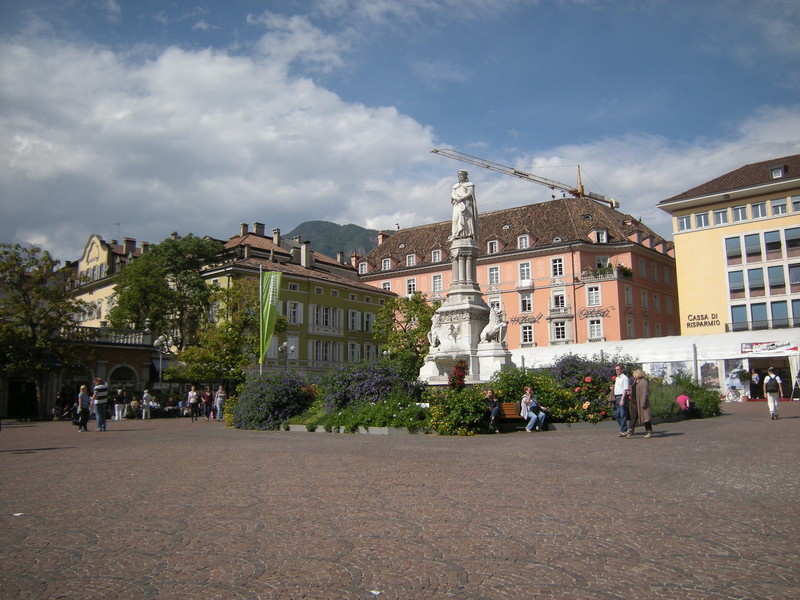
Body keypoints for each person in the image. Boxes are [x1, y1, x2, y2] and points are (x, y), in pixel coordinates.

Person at [450, 170, 477, 240]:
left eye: (461, 175)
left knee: (466, 219)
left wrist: (462, 198)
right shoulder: (455, 186)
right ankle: (456, 234)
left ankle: (467, 234)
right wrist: (457, 198)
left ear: (465, 176)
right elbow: (452, 194)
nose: (460, 177)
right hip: (457, 204)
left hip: (466, 204)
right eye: (459, 176)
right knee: (456, 219)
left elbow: (470, 193)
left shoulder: (470, 184)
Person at [627, 369, 654, 438]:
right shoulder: (635, 381)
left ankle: (649, 431)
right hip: (634, 401)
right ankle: (630, 430)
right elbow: (633, 389)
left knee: (645, 416)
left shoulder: (644, 381)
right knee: (633, 416)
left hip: (640, 401)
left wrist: (643, 402)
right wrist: (629, 393)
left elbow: (645, 392)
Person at [612, 364, 630, 438]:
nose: (616, 371)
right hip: (616, 397)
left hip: (621, 396)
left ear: (622, 370)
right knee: (616, 414)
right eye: (616, 369)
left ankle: (623, 430)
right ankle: (624, 428)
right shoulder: (617, 378)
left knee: (622, 414)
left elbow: (625, 389)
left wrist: (622, 399)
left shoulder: (624, 378)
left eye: (618, 369)